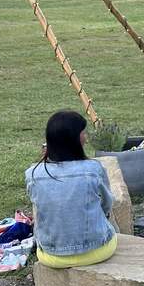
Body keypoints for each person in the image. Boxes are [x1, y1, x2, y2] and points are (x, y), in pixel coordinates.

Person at [25, 111, 116, 268]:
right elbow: (107, 203)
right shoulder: (93, 168)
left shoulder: (33, 173)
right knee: (108, 221)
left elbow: (39, 204)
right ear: (76, 138)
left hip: (51, 256)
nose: (86, 137)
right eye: (83, 133)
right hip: (98, 251)